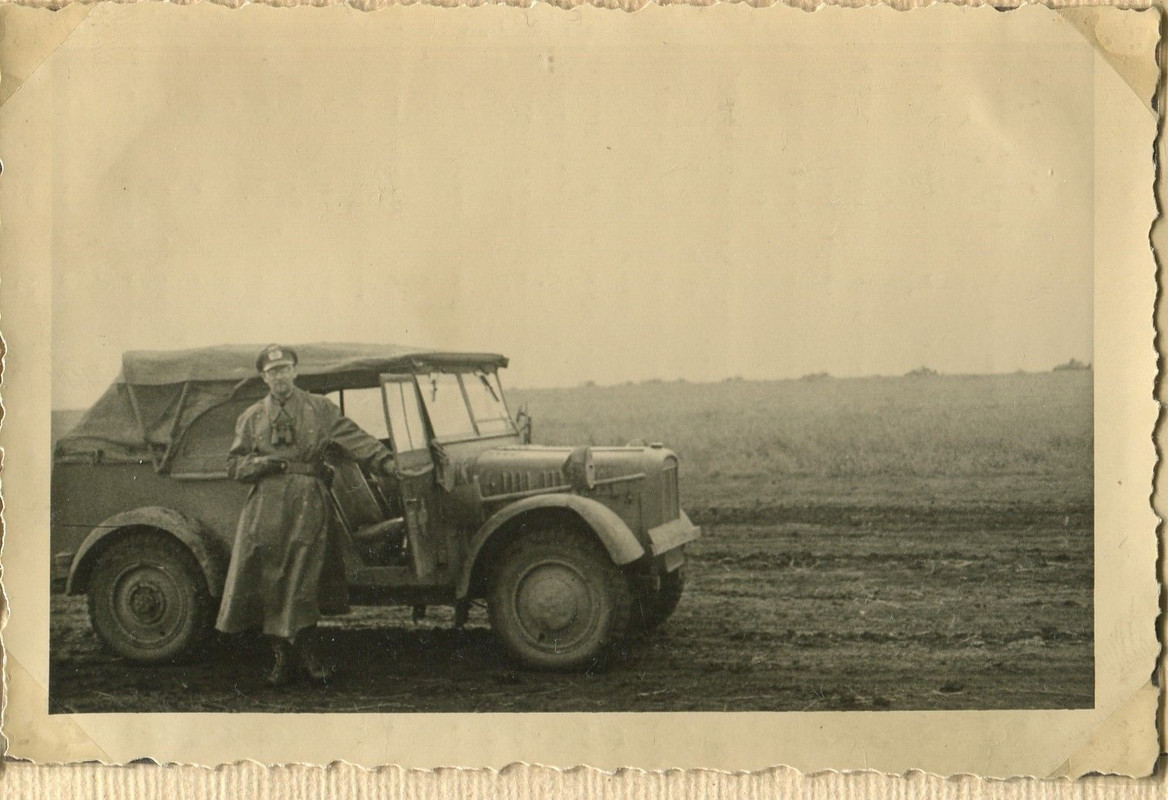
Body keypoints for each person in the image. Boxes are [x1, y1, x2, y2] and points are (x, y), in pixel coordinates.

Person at [215, 344, 395, 686]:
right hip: (266, 507)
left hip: (308, 503)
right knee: (271, 578)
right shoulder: (252, 417)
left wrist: (386, 461)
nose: (279, 377)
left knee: (305, 577)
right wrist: (259, 464)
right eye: (272, 372)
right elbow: (234, 465)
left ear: (295, 372)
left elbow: (356, 439)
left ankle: (310, 656)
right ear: (263, 378)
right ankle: (280, 659)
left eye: (285, 370)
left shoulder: (319, 409)